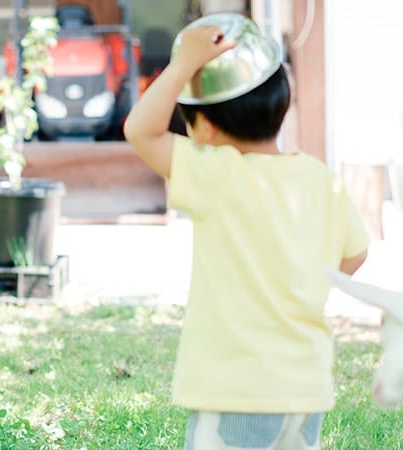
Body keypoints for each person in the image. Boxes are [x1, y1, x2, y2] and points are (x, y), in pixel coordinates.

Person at [123, 14, 369, 450]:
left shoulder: (218, 174)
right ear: (282, 100)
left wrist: (184, 64)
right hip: (305, 388)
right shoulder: (320, 179)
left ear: (205, 127)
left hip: (237, 390)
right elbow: (355, 254)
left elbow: (140, 130)